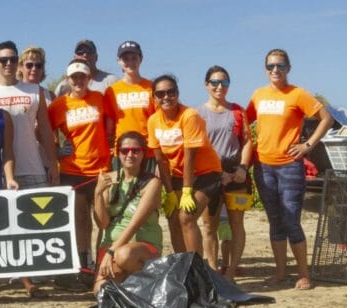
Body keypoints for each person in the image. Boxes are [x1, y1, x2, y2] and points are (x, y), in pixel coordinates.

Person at [245, 48, 334, 290]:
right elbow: (244, 121)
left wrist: (307, 145)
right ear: (265, 69)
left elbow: (327, 118)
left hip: (289, 167)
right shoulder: (258, 95)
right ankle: (281, 272)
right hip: (263, 167)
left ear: (288, 68)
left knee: (291, 220)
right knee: (275, 221)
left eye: (280, 66)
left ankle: (303, 274)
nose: (275, 70)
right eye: (271, 66)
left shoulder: (297, 94)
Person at [147, 74, 223, 265]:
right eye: (160, 93)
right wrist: (170, 192)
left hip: (207, 173)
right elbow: (160, 160)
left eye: (171, 92)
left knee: (186, 217)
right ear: (154, 97)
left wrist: (187, 191)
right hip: (178, 175)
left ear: (177, 93)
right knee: (173, 217)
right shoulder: (153, 121)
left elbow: (190, 156)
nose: (166, 97)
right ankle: (182, 265)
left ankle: (196, 268)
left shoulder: (190, 115)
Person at [49, 59, 114, 271]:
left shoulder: (99, 98)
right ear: (67, 79)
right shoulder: (59, 105)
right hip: (72, 170)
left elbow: (111, 126)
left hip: (100, 170)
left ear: (89, 78)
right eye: (74, 77)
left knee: (103, 220)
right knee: (80, 221)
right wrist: (57, 151)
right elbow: (45, 133)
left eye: (83, 77)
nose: (79, 81)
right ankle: (84, 265)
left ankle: (103, 263)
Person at [198, 65, 251, 279]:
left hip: (236, 175)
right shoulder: (197, 113)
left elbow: (247, 142)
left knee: (236, 224)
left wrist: (243, 168)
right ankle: (212, 270)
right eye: (215, 82)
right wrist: (216, 173)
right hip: (210, 175)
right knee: (209, 225)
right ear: (206, 85)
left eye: (224, 82)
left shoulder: (237, 111)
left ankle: (230, 271)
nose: (220, 87)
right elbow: (196, 147)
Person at [92, 131, 163, 291]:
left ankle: (149, 282)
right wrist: (98, 192)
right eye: (125, 151)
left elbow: (134, 225)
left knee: (124, 255)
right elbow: (102, 223)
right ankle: (130, 281)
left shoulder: (152, 183)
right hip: (112, 247)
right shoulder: (108, 179)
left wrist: (111, 252)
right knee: (102, 292)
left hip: (139, 249)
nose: (130, 154)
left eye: (135, 150)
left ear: (143, 154)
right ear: (118, 154)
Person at [0, 40, 59, 188]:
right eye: (3, 60)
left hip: (32, 169)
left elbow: (46, 130)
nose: (8, 63)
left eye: (13, 59)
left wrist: (53, 164)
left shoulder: (35, 91)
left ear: (17, 62)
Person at [104, 41, 155, 138]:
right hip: (123, 148)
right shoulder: (111, 91)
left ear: (141, 59)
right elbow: (109, 128)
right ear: (118, 60)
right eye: (126, 59)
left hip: (148, 148)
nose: (130, 62)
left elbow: (159, 119)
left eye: (134, 58)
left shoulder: (152, 87)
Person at [53, 39, 118, 96]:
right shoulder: (63, 86)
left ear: (96, 57)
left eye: (89, 51)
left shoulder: (112, 81)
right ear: (74, 58)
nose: (85, 55)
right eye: (80, 52)